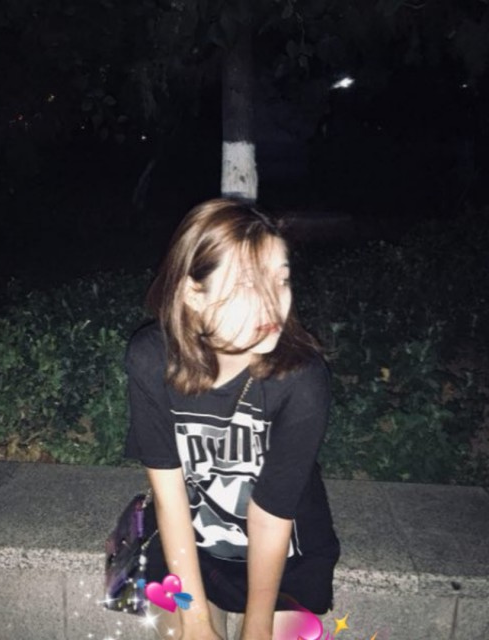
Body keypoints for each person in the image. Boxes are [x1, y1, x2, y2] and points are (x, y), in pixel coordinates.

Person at [124, 198, 340, 640]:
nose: (273, 303)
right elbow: (170, 498)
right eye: (248, 283)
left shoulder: (301, 378)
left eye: (281, 280)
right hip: (189, 550)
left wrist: (256, 629)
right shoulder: (151, 360)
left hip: (286, 559)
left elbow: (271, 516)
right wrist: (196, 624)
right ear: (193, 293)